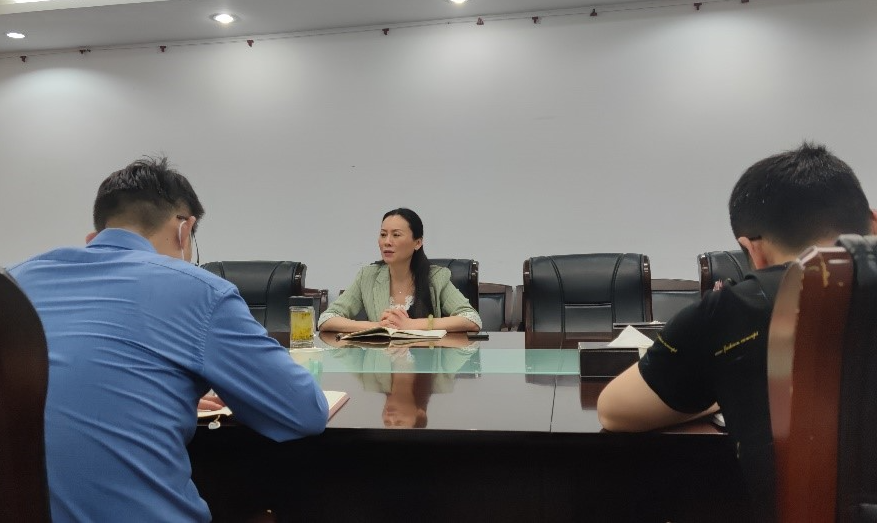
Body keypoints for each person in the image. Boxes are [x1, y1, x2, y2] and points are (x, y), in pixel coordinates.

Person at [8, 156, 329, 522]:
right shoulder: (199, 290)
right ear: (184, 229)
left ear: (98, 231)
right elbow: (303, 411)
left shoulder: (14, 282)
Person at [597, 142, 877, 520]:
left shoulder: (736, 308)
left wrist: (718, 390)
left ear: (752, 250)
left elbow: (615, 410)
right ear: (873, 222)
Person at [318, 207, 482, 332]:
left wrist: (411, 325)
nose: (387, 242)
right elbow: (326, 319)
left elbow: (472, 319)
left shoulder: (436, 277)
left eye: (396, 235)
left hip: (427, 363)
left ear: (417, 243)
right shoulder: (367, 276)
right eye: (383, 234)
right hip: (382, 363)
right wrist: (378, 326)